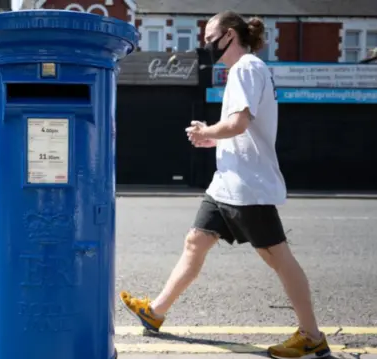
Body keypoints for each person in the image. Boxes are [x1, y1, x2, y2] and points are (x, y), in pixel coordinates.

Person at [119, 11, 331, 359]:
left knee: (277, 257)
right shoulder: (241, 71)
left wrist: (207, 132)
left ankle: (312, 335)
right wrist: (212, 139)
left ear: (230, 35)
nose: (207, 44)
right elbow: (237, 130)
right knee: (195, 242)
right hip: (227, 183)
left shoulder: (247, 68)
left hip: (248, 185)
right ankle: (155, 312)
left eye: (211, 36)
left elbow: (238, 123)